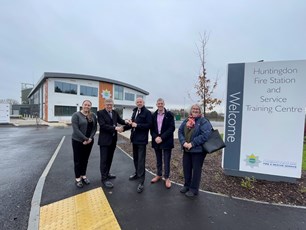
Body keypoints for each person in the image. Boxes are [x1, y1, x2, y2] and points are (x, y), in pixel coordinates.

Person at [178, 104, 212, 198]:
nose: (195, 110)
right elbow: (180, 131)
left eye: (197, 109)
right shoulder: (187, 120)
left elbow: (205, 135)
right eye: (193, 109)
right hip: (186, 149)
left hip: (198, 151)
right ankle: (187, 185)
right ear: (191, 110)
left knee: (196, 170)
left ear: (200, 111)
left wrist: (192, 144)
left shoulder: (203, 121)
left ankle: (194, 189)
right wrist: (183, 142)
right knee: (186, 168)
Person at [97, 98, 127, 189]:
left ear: (113, 105)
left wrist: (126, 121)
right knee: (104, 160)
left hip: (113, 140)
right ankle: (104, 178)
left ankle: (107, 173)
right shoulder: (100, 113)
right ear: (105, 104)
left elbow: (120, 121)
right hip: (104, 141)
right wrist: (115, 128)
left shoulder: (114, 112)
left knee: (110, 159)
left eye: (111, 104)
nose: (109, 106)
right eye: (108, 104)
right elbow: (103, 126)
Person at [125, 97, 152, 193]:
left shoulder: (147, 113)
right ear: (136, 103)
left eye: (140, 102)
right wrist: (128, 124)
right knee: (136, 158)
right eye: (137, 102)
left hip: (142, 140)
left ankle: (141, 181)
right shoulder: (135, 111)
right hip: (134, 139)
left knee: (141, 160)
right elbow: (132, 123)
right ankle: (137, 173)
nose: (139, 103)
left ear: (143, 103)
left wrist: (138, 125)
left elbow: (149, 125)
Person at [71, 100, 97, 188]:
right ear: (82, 105)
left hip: (89, 141)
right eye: (85, 105)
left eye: (89, 105)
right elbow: (76, 129)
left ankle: (83, 175)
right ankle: (78, 178)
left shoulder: (92, 115)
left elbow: (95, 128)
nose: (87, 106)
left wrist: (90, 138)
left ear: (90, 106)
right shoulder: (76, 115)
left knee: (85, 159)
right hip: (78, 141)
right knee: (78, 160)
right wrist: (85, 138)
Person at [150, 98, 175, 189]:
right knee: (158, 159)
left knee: (166, 160)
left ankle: (167, 178)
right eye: (158, 103)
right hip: (156, 140)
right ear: (156, 104)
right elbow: (151, 128)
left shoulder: (169, 115)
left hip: (166, 140)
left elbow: (172, 128)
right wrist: (156, 137)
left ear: (164, 104)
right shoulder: (153, 115)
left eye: (161, 103)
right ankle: (159, 175)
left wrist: (162, 137)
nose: (160, 105)